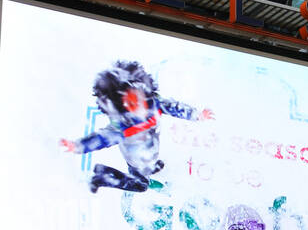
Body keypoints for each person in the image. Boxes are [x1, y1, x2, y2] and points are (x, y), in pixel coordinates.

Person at [59, 60, 213, 195]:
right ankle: (102, 176)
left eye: (138, 98)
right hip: (135, 161)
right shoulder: (123, 126)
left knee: (151, 159)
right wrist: (78, 146)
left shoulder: (156, 105)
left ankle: (151, 165)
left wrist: (196, 115)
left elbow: (174, 107)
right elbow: (102, 138)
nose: (137, 106)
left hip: (150, 151)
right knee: (141, 185)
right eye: (129, 104)